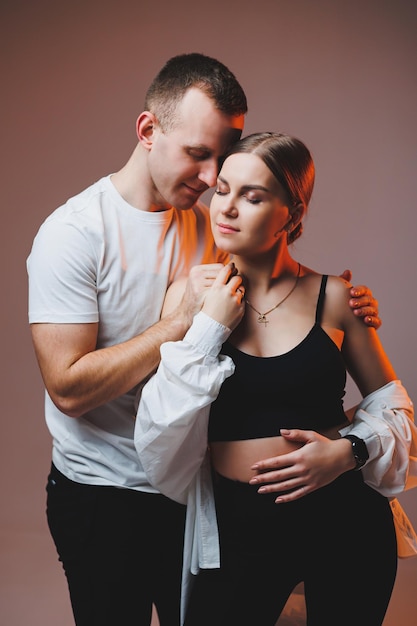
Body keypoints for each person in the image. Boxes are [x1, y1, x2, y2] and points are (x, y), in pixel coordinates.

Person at [27, 52, 380, 626]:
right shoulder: (73, 235)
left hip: (194, 492)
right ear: (148, 131)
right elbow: (67, 387)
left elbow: (277, 278)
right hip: (102, 491)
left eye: (224, 155)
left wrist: (340, 301)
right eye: (198, 154)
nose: (215, 177)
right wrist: (178, 324)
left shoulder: (207, 214)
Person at [135, 132, 414, 626]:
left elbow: (397, 410)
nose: (227, 208)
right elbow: (159, 428)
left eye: (253, 196)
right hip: (238, 527)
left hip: (343, 520)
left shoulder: (335, 296)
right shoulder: (191, 295)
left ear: (293, 212)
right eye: (222, 189)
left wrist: (344, 453)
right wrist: (207, 325)